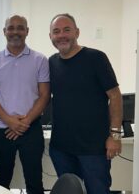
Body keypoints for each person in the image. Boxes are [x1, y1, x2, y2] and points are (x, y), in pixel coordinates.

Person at [48, 13, 123, 194]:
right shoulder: (51, 62)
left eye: (67, 30)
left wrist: (115, 136)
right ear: (51, 36)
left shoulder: (96, 58)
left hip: (94, 148)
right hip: (61, 147)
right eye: (56, 31)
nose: (61, 35)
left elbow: (115, 96)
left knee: (98, 190)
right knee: (69, 190)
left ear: (77, 32)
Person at [0, 15, 49, 194]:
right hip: (2, 129)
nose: (15, 32)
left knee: (35, 181)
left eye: (20, 28)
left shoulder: (40, 60)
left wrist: (24, 122)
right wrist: (10, 121)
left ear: (27, 31)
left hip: (31, 127)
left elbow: (44, 95)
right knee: (1, 181)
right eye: (11, 28)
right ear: (4, 32)